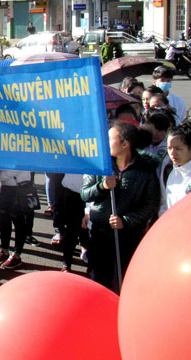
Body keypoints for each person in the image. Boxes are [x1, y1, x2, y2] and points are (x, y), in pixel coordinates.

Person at [81, 122, 160, 291]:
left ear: (125, 144)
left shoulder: (145, 170)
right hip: (100, 233)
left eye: (110, 139)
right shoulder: (101, 166)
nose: (105, 142)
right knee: (99, 280)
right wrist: (102, 186)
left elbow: (151, 204)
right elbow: (85, 194)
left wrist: (126, 221)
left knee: (127, 280)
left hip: (129, 236)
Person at [0, 169, 32, 271]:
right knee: (4, 220)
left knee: (19, 222)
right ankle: (4, 250)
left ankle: (17, 254)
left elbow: (19, 165)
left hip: (19, 187)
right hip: (5, 187)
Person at [52, 173, 86, 272]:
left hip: (93, 192)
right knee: (71, 229)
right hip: (71, 192)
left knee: (88, 229)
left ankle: (88, 255)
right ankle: (67, 263)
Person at [160, 124, 191, 216]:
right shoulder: (169, 172)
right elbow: (164, 203)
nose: (172, 153)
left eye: (178, 148)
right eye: (169, 148)